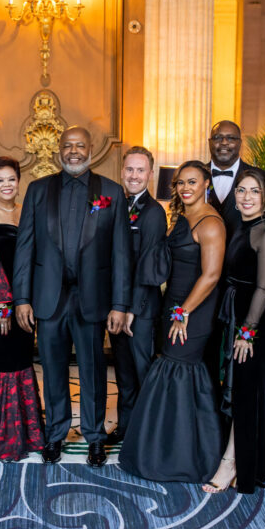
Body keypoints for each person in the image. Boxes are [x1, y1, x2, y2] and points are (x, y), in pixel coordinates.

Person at [14, 126, 131, 468]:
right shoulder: (37, 190)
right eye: (68, 145)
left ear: (91, 149)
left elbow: (121, 254)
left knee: (93, 370)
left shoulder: (111, 192)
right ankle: (55, 434)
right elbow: (25, 247)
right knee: (52, 370)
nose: (74, 151)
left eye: (80, 145)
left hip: (92, 298)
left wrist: (120, 304)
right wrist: (22, 298)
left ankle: (94, 437)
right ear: (59, 149)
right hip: (49, 297)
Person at [118, 161, 226, 483]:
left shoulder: (210, 223)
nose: (185, 188)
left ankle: (185, 456)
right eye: (180, 182)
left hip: (194, 310)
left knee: (179, 372)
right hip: (174, 306)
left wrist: (184, 313)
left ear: (206, 183)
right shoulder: (182, 216)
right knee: (170, 371)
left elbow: (211, 276)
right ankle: (163, 449)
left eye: (192, 181)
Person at [205, 168, 265, 494]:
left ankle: (231, 462)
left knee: (245, 394)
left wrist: (247, 331)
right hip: (239, 314)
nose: (246, 197)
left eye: (254, 191)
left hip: (258, 322)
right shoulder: (242, 226)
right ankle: (238, 460)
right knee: (240, 390)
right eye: (241, 190)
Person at [0, 157, 44, 461]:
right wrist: (3, 309)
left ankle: (26, 434)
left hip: (24, 303)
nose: (6, 185)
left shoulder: (25, 211)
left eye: (11, 179)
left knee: (21, 362)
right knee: (1, 365)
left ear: (18, 181)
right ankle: (0, 437)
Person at [107, 146, 167, 445]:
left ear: (150, 174)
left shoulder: (154, 213)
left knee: (143, 373)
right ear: (122, 171)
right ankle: (125, 429)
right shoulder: (116, 204)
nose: (134, 175)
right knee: (124, 373)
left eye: (140, 170)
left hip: (139, 310)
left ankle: (148, 437)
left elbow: (148, 264)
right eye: (129, 169)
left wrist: (132, 308)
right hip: (118, 306)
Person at [206, 120, 265, 241]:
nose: (224, 142)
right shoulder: (194, 178)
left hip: (245, 250)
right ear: (209, 142)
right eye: (218, 137)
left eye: (231, 138)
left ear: (240, 143)